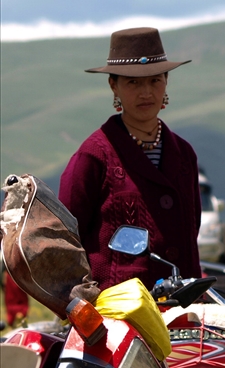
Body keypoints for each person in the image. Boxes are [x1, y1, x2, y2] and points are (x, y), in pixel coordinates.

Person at [59, 27, 201, 291]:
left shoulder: (184, 155)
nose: (146, 92)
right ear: (113, 85)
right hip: (118, 310)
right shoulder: (94, 155)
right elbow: (66, 236)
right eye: (133, 82)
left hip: (182, 304)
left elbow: (192, 230)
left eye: (155, 80)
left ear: (166, 82)